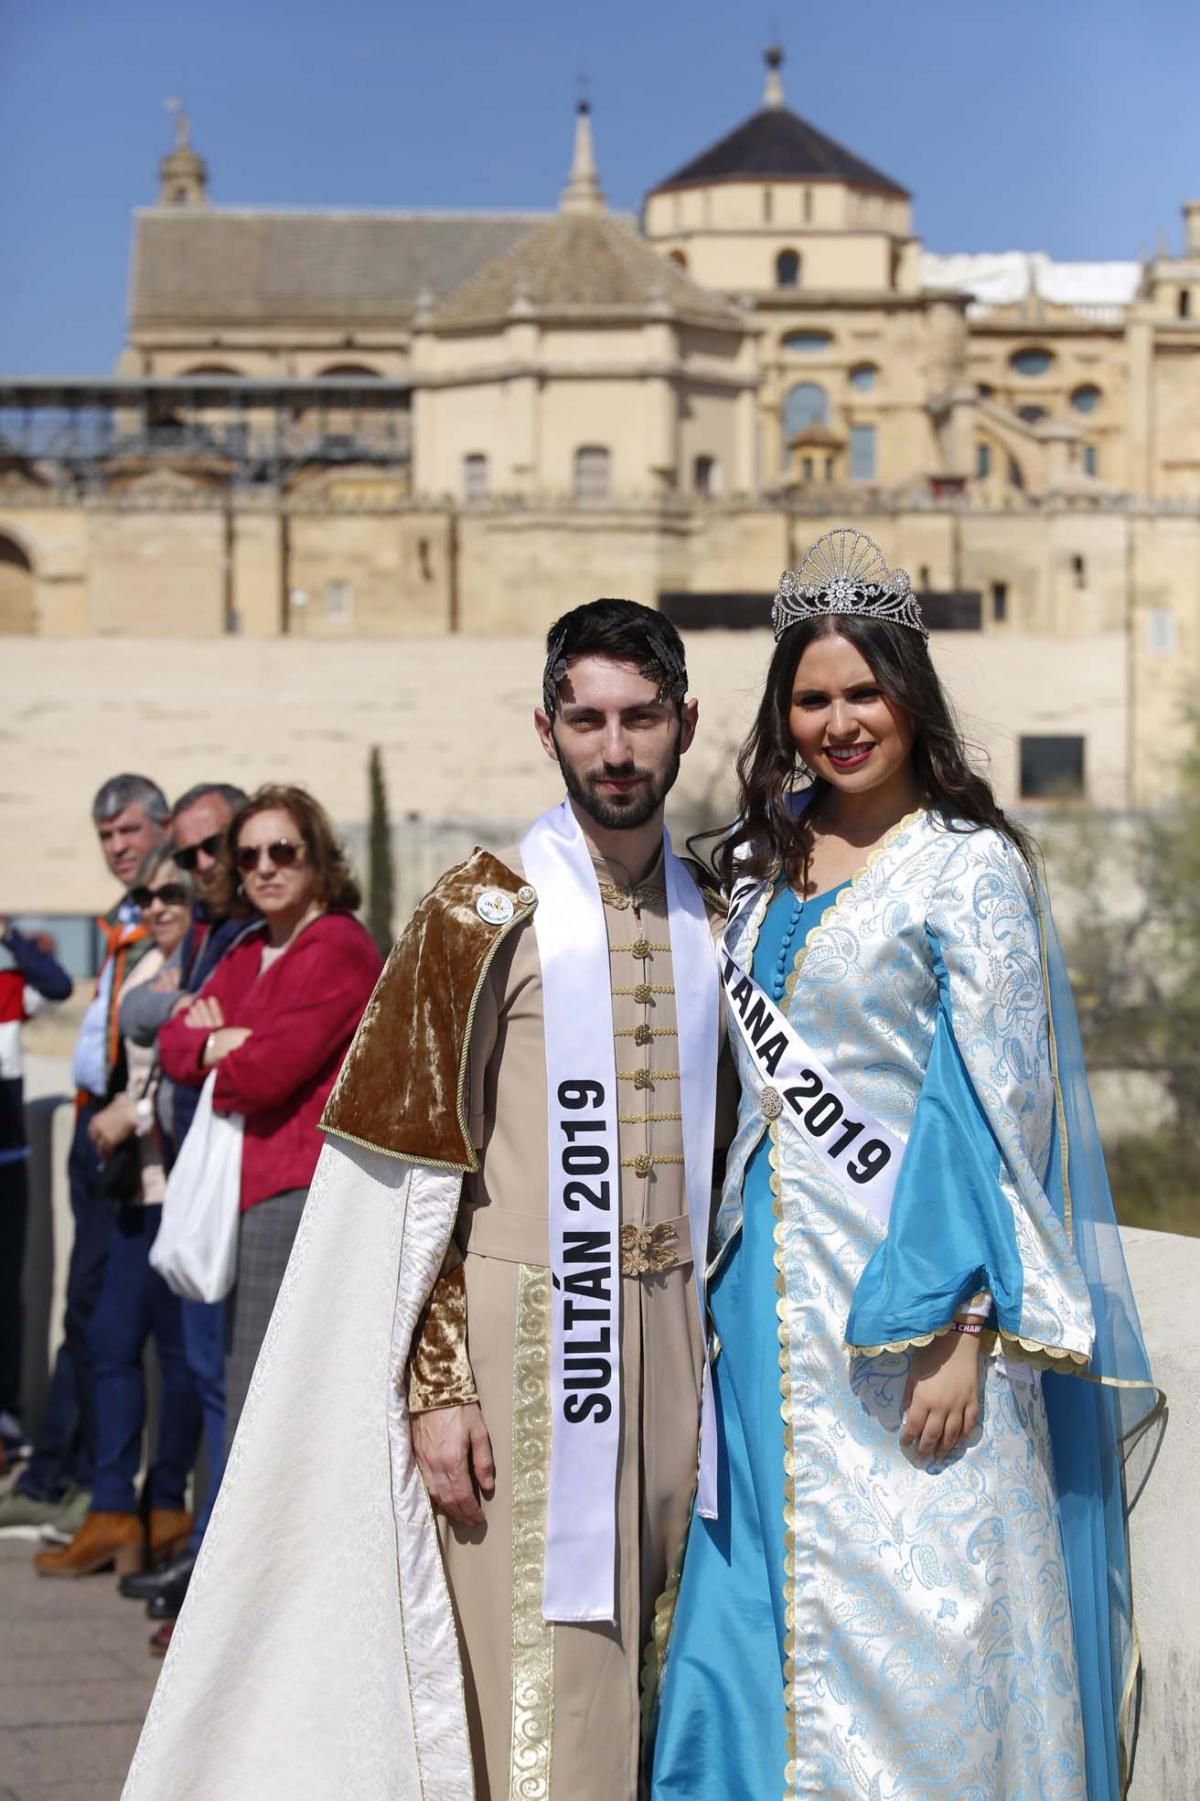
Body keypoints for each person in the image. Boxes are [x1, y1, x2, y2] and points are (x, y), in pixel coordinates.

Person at [123, 601, 733, 1801]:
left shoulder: (716, 906)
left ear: (685, 724)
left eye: (641, 719)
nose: (615, 748)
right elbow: (403, 1187)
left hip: (682, 1337)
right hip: (530, 1337)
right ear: (546, 729)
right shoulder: (473, 909)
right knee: (545, 1690)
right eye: (587, 719)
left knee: (667, 1674)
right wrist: (439, 1376)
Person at [648, 531, 1160, 1801]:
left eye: (862, 692)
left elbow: (995, 1108)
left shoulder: (967, 867)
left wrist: (964, 1322)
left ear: (909, 696)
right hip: (761, 1300)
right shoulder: (758, 871)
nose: (838, 721)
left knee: (925, 1614)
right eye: (812, 698)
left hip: (908, 1306)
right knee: (757, 1612)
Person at [158, 784, 382, 1451]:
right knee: (232, 1382)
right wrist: (212, 1042)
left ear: (317, 858)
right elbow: (172, 1043)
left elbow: (265, 1074)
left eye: (283, 849)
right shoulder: (250, 947)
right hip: (241, 1191)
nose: (264, 866)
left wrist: (223, 1044)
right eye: (248, 853)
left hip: (296, 1191)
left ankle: (256, 1556)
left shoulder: (336, 945)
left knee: (263, 1395)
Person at [0, 774, 169, 1537]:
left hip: (128, 1133)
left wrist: (126, 1109)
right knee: (88, 1311)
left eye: (129, 831)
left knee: (108, 1318)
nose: (117, 847)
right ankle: (75, 1481)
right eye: (105, 836)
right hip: (88, 1128)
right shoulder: (124, 915)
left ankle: (87, 1485)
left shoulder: (171, 913)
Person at [36, 848, 201, 1579]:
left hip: (177, 1183)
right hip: (136, 1186)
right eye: (147, 894)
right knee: (109, 1339)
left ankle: (163, 1509)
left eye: (173, 892)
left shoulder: (204, 964)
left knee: (178, 1357)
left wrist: (128, 1114)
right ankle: (112, 1509)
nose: (157, 905)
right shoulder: (147, 962)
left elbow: (189, 1067)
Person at [116, 782, 252, 1641]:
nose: (203, 866)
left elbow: (245, 1047)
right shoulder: (211, 930)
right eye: (190, 852)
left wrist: (196, 1031)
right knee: (202, 1379)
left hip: (240, 1184)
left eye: (217, 849)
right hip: (198, 1180)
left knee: (223, 1382)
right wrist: (191, 1023)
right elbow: (151, 1023)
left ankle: (223, 1573)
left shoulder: (248, 935)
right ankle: (207, 1551)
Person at [0, 919, 73, 1463]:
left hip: (8, 1160)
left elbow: (58, 985)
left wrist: (11, 937)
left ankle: (7, 1420)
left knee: (8, 1294)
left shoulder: (9, 983)